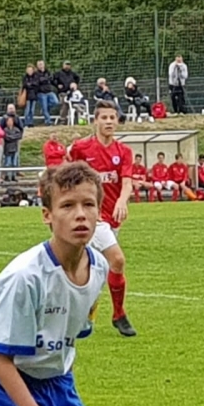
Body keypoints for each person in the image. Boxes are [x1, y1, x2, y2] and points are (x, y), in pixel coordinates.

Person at [0, 161, 120, 406]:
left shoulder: (98, 268)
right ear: (47, 215)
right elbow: (0, 361)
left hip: (59, 385)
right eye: (67, 206)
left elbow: (71, 336)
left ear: (99, 213)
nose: (80, 215)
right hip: (8, 389)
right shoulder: (24, 277)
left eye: (88, 204)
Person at [67, 100, 136, 337]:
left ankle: (85, 316)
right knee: (117, 260)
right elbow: (68, 176)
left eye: (112, 118)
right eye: (104, 117)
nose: (108, 122)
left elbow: (126, 182)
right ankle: (119, 315)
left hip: (113, 217)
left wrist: (122, 201)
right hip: (92, 217)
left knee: (95, 269)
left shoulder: (124, 152)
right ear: (95, 120)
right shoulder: (81, 148)